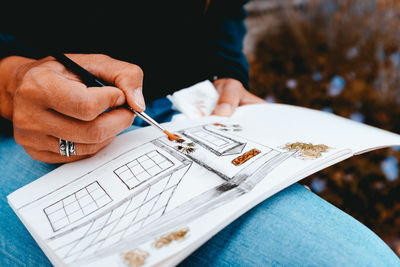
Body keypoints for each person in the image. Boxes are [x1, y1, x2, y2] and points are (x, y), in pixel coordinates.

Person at [0, 1, 398, 266]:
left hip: (190, 109)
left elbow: (224, 7)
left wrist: (226, 67)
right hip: (32, 126)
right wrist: (11, 81)